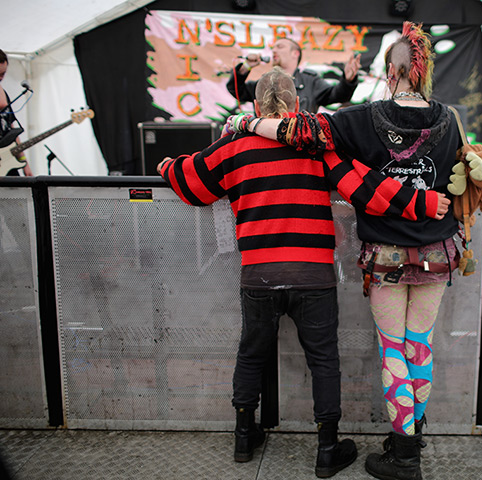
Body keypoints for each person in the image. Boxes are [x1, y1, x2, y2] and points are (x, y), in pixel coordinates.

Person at [158, 67, 449, 478]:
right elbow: (367, 189)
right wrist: (422, 204)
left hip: (258, 276)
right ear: (298, 107)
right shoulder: (317, 150)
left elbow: (192, 186)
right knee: (324, 360)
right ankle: (327, 449)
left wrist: (169, 164)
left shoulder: (233, 148)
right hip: (313, 275)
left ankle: (245, 435)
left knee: (251, 353)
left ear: (255, 108)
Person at [226, 22, 465, 480]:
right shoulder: (449, 118)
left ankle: (404, 457)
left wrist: (247, 121)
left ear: (391, 72)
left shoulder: (364, 117)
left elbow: (301, 132)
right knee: (421, 346)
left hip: (387, 256)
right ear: (423, 70)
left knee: (394, 348)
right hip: (438, 251)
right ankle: (410, 436)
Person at [226, 37, 361, 114]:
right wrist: (245, 67)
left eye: (280, 47)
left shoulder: (310, 81)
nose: (274, 50)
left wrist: (348, 80)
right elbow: (237, 90)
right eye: (273, 48)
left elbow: (338, 95)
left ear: (295, 53)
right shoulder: (265, 81)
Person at [0, 49, 32, 176]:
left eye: (3, 74)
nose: (1, 78)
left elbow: (12, 131)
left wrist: (25, 164)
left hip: (7, 164)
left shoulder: (4, 93)